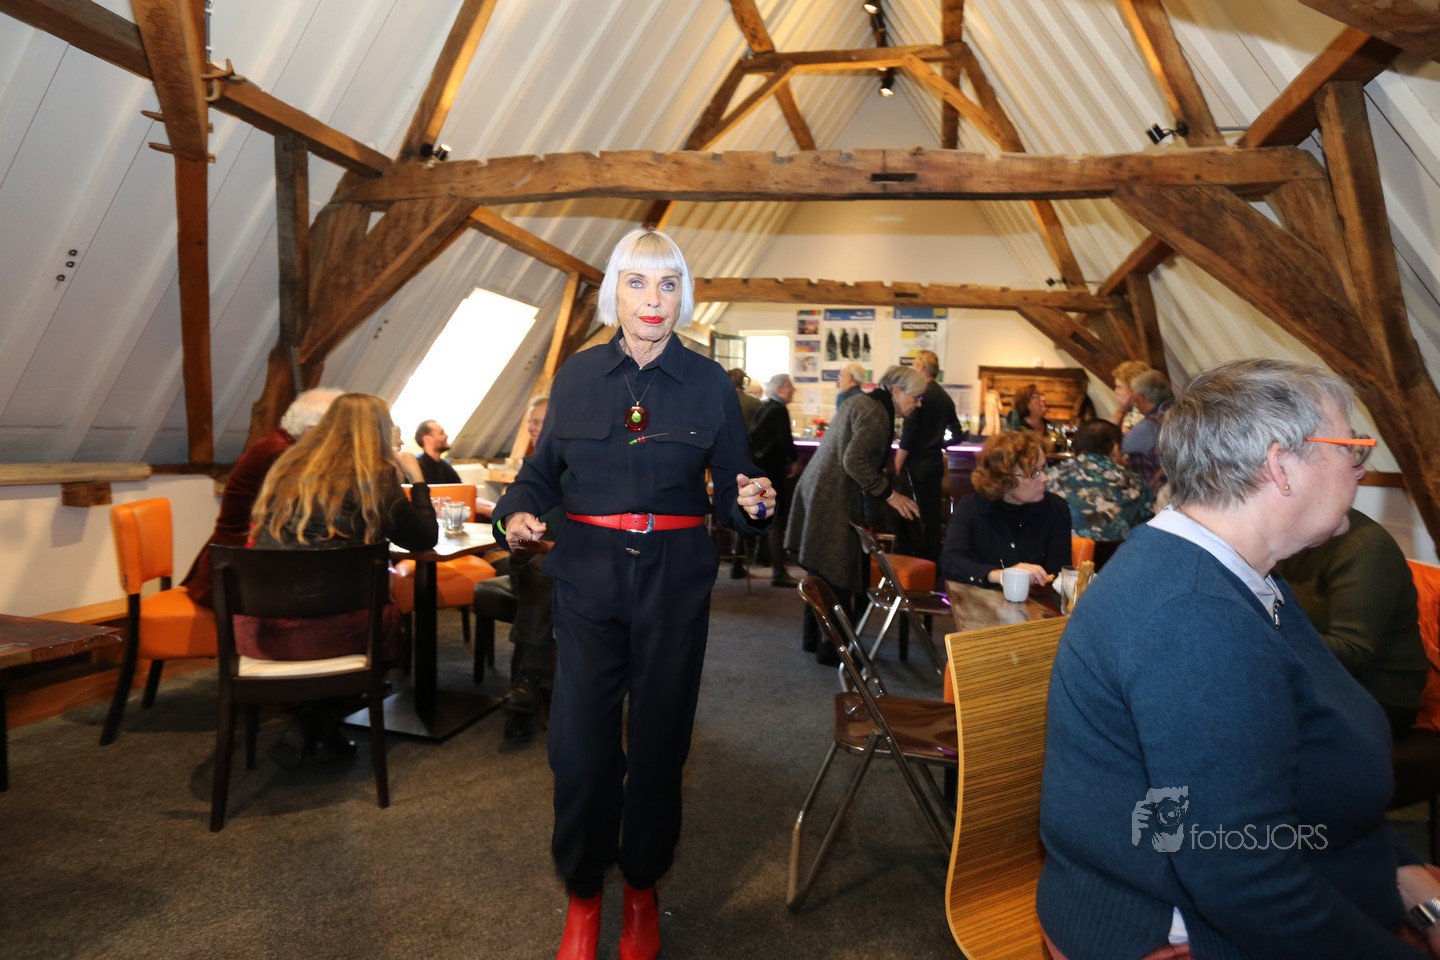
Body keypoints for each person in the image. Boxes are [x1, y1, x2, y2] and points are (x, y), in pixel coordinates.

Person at [1038, 358, 1440, 960]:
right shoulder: (1195, 614)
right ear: (1281, 465)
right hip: (1186, 933)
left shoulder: (1237, 575)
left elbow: (1317, 781)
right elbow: (1245, 880)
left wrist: (1410, 884)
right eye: (1353, 448)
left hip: (1309, 886)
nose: (1361, 469)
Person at [491, 228, 775, 960]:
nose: (653, 300)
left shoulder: (711, 384)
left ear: (684, 296)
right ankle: (584, 894)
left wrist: (752, 502)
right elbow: (538, 476)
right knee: (580, 750)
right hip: (588, 575)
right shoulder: (578, 376)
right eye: (638, 283)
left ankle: (642, 889)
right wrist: (514, 514)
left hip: (675, 579)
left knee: (658, 745)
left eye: (668, 284)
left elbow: (735, 491)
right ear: (613, 292)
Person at [245, 393, 436, 763]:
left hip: (263, 624)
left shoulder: (287, 467)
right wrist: (417, 480)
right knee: (382, 610)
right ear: (378, 432)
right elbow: (423, 539)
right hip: (332, 631)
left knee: (347, 600)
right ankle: (325, 713)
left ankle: (313, 717)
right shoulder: (374, 478)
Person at [787, 365, 923, 665]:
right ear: (897, 391)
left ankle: (815, 642)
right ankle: (834, 652)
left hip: (820, 491)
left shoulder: (862, 402)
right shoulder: (876, 413)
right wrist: (890, 494)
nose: (917, 404)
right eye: (915, 397)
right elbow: (855, 461)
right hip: (832, 498)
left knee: (820, 574)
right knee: (835, 575)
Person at [180, 387, 344, 607]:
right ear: (313, 428)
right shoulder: (280, 453)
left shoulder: (282, 444)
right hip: (236, 569)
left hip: (247, 559)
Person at [1276, 507, 1427, 738]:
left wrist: (1262, 638)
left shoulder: (1365, 545)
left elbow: (1353, 652)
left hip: (1376, 697)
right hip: (1312, 683)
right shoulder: (1283, 536)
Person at [941, 431, 1070, 590]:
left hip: (1036, 602)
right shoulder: (972, 508)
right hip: (982, 600)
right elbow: (950, 562)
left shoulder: (1056, 509)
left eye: (1043, 468)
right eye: (1034, 473)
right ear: (1004, 478)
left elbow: (1059, 575)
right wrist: (999, 575)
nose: (1045, 478)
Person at [894, 350, 962, 562]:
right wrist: (939, 444)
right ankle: (931, 565)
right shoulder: (945, 397)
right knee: (931, 520)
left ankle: (909, 564)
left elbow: (909, 434)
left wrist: (896, 466)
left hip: (914, 466)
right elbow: (958, 434)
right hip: (934, 465)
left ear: (921, 367)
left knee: (910, 517)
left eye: (915, 365)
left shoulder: (917, 395)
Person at [1046, 417, 1153, 544]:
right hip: (1115, 555)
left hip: (1059, 553)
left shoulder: (1050, 476)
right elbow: (1146, 532)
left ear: (1074, 449)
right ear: (1115, 449)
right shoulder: (1136, 483)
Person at [748, 373, 801, 587]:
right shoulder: (779, 410)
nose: (793, 390)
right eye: (789, 386)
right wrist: (795, 460)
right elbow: (785, 440)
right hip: (773, 472)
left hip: (758, 471)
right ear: (779, 389)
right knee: (775, 519)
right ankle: (778, 571)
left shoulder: (763, 407)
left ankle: (752, 559)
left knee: (761, 512)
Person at [1123, 368, 1173, 492]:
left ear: (1141, 397)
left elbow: (1113, 447)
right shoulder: (1174, 413)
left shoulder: (1147, 427)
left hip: (1158, 492)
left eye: (1134, 395)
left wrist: (1121, 411)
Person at [414, 419, 462, 484]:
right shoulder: (417, 467)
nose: (446, 436)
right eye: (441, 433)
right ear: (428, 439)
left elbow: (460, 488)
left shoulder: (445, 466)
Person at [1112, 358, 1152, 434]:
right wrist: (1121, 410)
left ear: (1133, 389)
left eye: (1119, 387)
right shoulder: (1129, 408)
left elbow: (1109, 436)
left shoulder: (1141, 414)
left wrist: (1121, 411)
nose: (1116, 391)